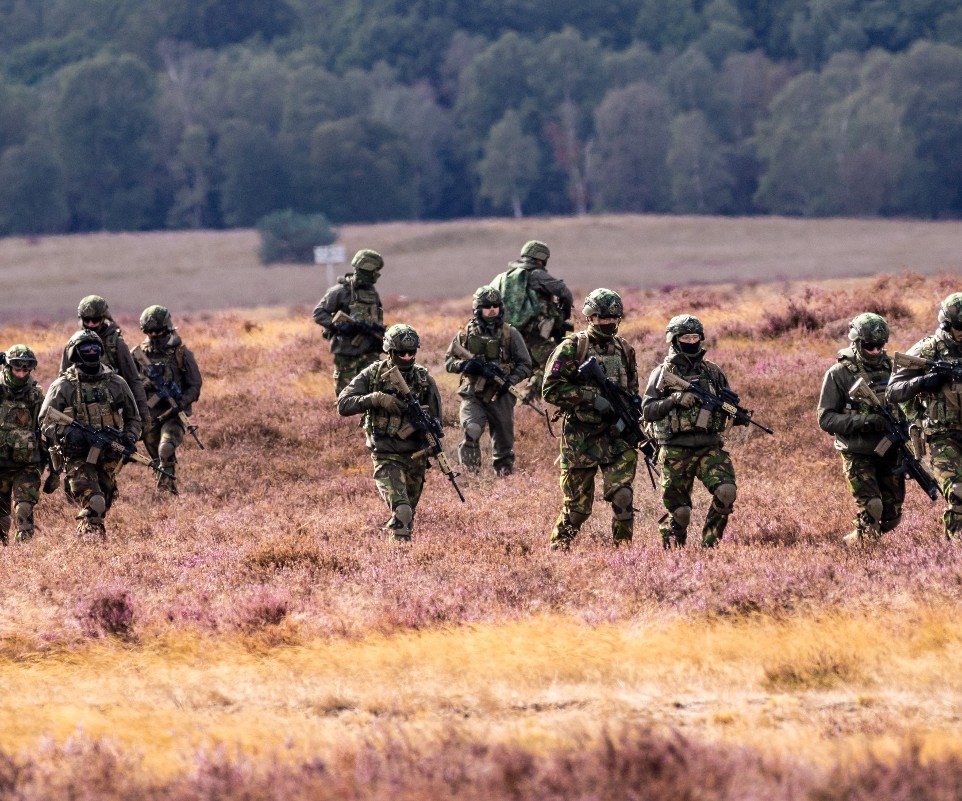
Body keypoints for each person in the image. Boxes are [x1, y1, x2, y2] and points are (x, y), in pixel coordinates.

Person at [542, 289, 637, 550]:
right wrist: (591, 398)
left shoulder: (625, 350)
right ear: (589, 318)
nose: (607, 323)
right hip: (580, 440)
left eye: (612, 318)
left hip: (616, 438)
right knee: (578, 510)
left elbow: (632, 393)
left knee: (623, 497)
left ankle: (625, 557)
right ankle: (557, 551)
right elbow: (550, 389)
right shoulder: (573, 347)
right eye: (601, 318)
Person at [641, 314, 740, 548]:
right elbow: (647, 411)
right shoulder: (662, 373)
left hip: (709, 446)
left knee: (726, 492)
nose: (691, 340)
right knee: (681, 512)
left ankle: (710, 544)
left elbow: (727, 405)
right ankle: (674, 549)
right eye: (686, 337)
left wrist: (735, 414)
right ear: (674, 340)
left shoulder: (713, 372)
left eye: (695, 336)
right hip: (675, 450)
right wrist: (674, 399)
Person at [336, 324, 442, 542]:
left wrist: (429, 437)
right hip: (385, 454)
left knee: (407, 515)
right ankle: (398, 559)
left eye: (411, 353)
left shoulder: (423, 380)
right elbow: (343, 404)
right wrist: (375, 399)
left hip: (415, 457)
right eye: (401, 352)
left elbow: (437, 419)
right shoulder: (373, 374)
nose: (406, 357)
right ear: (390, 351)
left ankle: (399, 562)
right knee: (402, 511)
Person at [41, 330, 142, 539]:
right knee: (95, 502)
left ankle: (89, 544)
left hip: (108, 456)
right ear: (75, 353)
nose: (91, 352)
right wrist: (69, 433)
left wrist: (129, 438)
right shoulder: (63, 386)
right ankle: (90, 547)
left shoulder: (116, 383)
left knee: (103, 504)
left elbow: (134, 419)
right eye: (86, 348)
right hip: (76, 457)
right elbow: (45, 421)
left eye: (95, 348)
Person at [818, 313, 904, 544]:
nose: (875, 350)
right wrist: (866, 422)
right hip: (857, 451)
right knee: (873, 506)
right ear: (856, 343)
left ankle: (857, 541)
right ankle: (860, 555)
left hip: (890, 450)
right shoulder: (839, 373)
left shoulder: (894, 368)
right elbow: (825, 419)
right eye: (869, 346)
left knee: (892, 516)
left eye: (880, 345)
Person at [887, 292, 962, 540]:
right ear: (946, 324)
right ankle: (956, 553)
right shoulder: (929, 349)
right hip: (944, 436)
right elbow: (893, 391)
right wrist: (925, 381)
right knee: (959, 492)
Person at [444, 286, 532, 477]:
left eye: (495, 306)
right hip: (473, 394)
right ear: (477, 309)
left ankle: (504, 476)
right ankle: (471, 475)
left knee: (504, 441)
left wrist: (509, 381)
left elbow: (525, 365)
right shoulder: (465, 334)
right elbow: (449, 362)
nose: (492, 310)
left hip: (501, 395)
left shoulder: (511, 334)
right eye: (487, 306)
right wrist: (465, 366)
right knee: (472, 430)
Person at [131, 305, 203, 495]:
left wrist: (182, 401)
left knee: (166, 448)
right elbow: (126, 384)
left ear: (167, 327)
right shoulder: (137, 355)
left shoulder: (181, 353)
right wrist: (145, 385)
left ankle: (166, 493)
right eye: (150, 332)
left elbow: (195, 385)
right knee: (157, 459)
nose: (154, 335)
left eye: (159, 331)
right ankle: (167, 491)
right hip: (149, 416)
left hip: (173, 414)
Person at [493, 240, 572, 403]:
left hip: (504, 337)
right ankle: (528, 401)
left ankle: (497, 404)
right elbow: (564, 292)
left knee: (514, 370)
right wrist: (563, 315)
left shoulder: (501, 278)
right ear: (542, 258)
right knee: (555, 359)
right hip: (531, 337)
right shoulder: (536, 274)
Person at [60, 295, 151, 426]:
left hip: (111, 410)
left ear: (103, 318)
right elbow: (62, 379)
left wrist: (143, 414)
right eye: (87, 320)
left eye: (95, 320)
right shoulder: (73, 344)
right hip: (80, 409)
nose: (90, 324)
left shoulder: (116, 344)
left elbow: (133, 380)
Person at [313, 249, 386, 395]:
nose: (376, 275)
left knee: (374, 392)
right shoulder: (340, 291)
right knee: (345, 394)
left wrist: (377, 331)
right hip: (346, 352)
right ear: (366, 270)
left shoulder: (372, 293)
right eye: (374, 271)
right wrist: (340, 326)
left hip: (370, 350)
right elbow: (319, 313)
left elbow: (378, 317)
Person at [0, 345, 45, 544]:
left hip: (26, 465)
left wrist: (53, 469)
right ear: (7, 368)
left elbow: (46, 432)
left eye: (25, 370)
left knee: (24, 508)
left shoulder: (36, 396)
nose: (20, 374)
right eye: (16, 369)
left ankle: (25, 556)